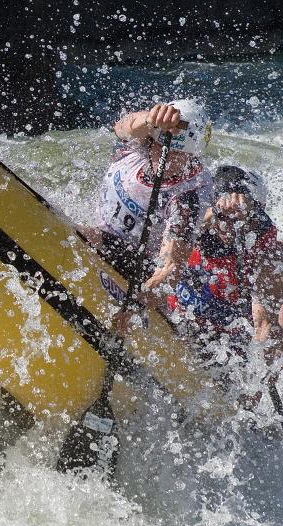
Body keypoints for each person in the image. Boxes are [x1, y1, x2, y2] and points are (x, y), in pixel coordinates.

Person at [88, 100, 214, 309]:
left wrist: (133, 308)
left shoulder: (188, 197)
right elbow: (121, 127)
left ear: (191, 157)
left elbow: (168, 271)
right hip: (102, 238)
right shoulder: (140, 143)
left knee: (88, 234)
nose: (166, 158)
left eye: (176, 153)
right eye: (161, 147)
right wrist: (149, 118)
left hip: (138, 268)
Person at [168, 166, 283, 371]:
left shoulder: (265, 248)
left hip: (224, 343)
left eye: (238, 218)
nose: (228, 227)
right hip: (175, 316)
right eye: (224, 217)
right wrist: (215, 211)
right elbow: (171, 247)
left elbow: (264, 324)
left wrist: (258, 377)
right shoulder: (198, 221)